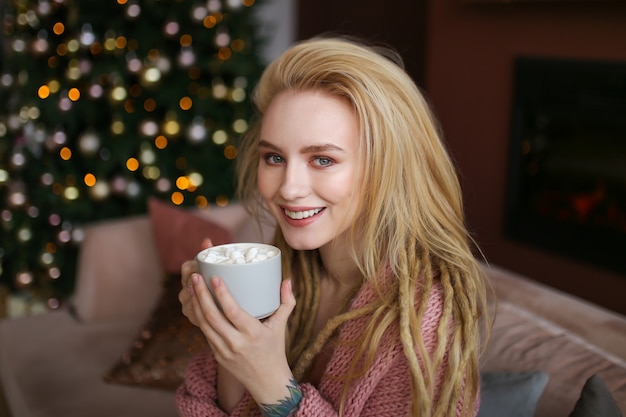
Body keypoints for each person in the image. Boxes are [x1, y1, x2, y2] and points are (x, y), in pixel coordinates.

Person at [176, 35, 491, 417]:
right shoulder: (288, 269)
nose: (289, 188)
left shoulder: (424, 316)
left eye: (322, 160)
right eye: (274, 157)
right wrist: (230, 341)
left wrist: (272, 383)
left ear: (386, 168)